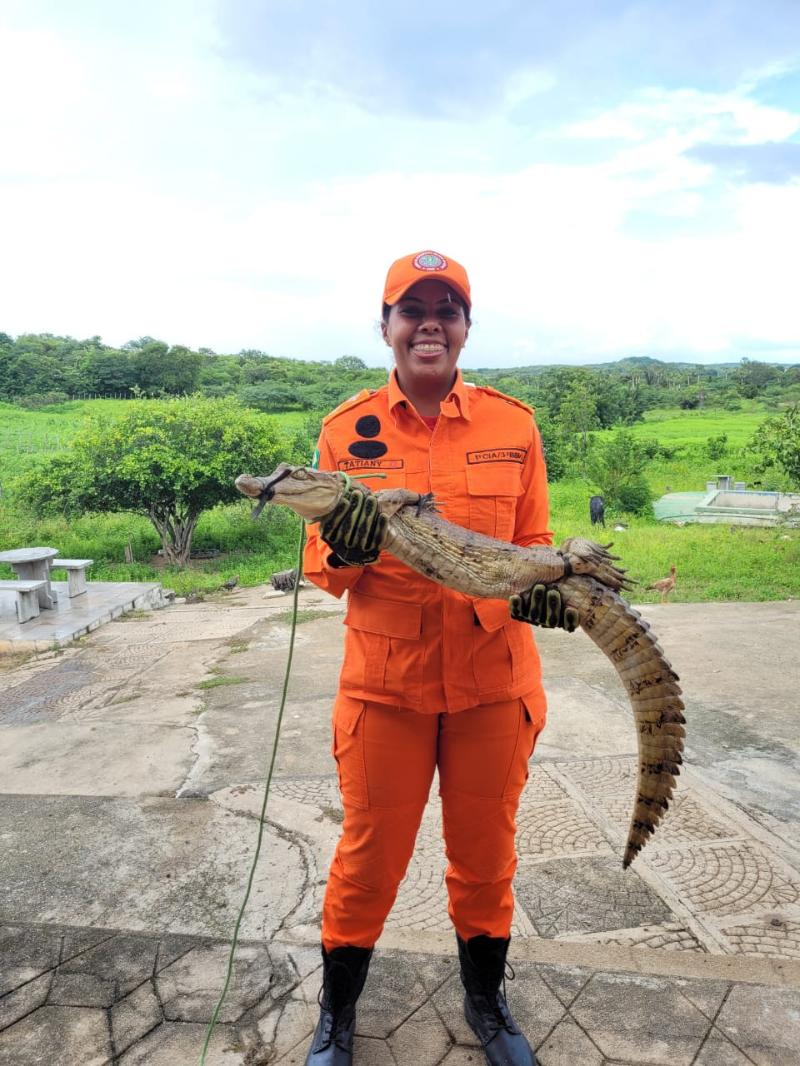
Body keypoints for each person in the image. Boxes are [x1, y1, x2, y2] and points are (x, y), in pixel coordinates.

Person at [302, 250, 577, 1066]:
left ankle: (487, 1005)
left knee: (485, 855)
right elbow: (325, 573)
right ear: (384, 325)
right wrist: (347, 547)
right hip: (384, 689)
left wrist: (542, 585)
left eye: (447, 309)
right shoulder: (346, 429)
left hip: (495, 684)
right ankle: (337, 1017)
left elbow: (531, 543)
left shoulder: (512, 423)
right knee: (368, 858)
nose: (430, 322)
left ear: (465, 326)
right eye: (412, 308)